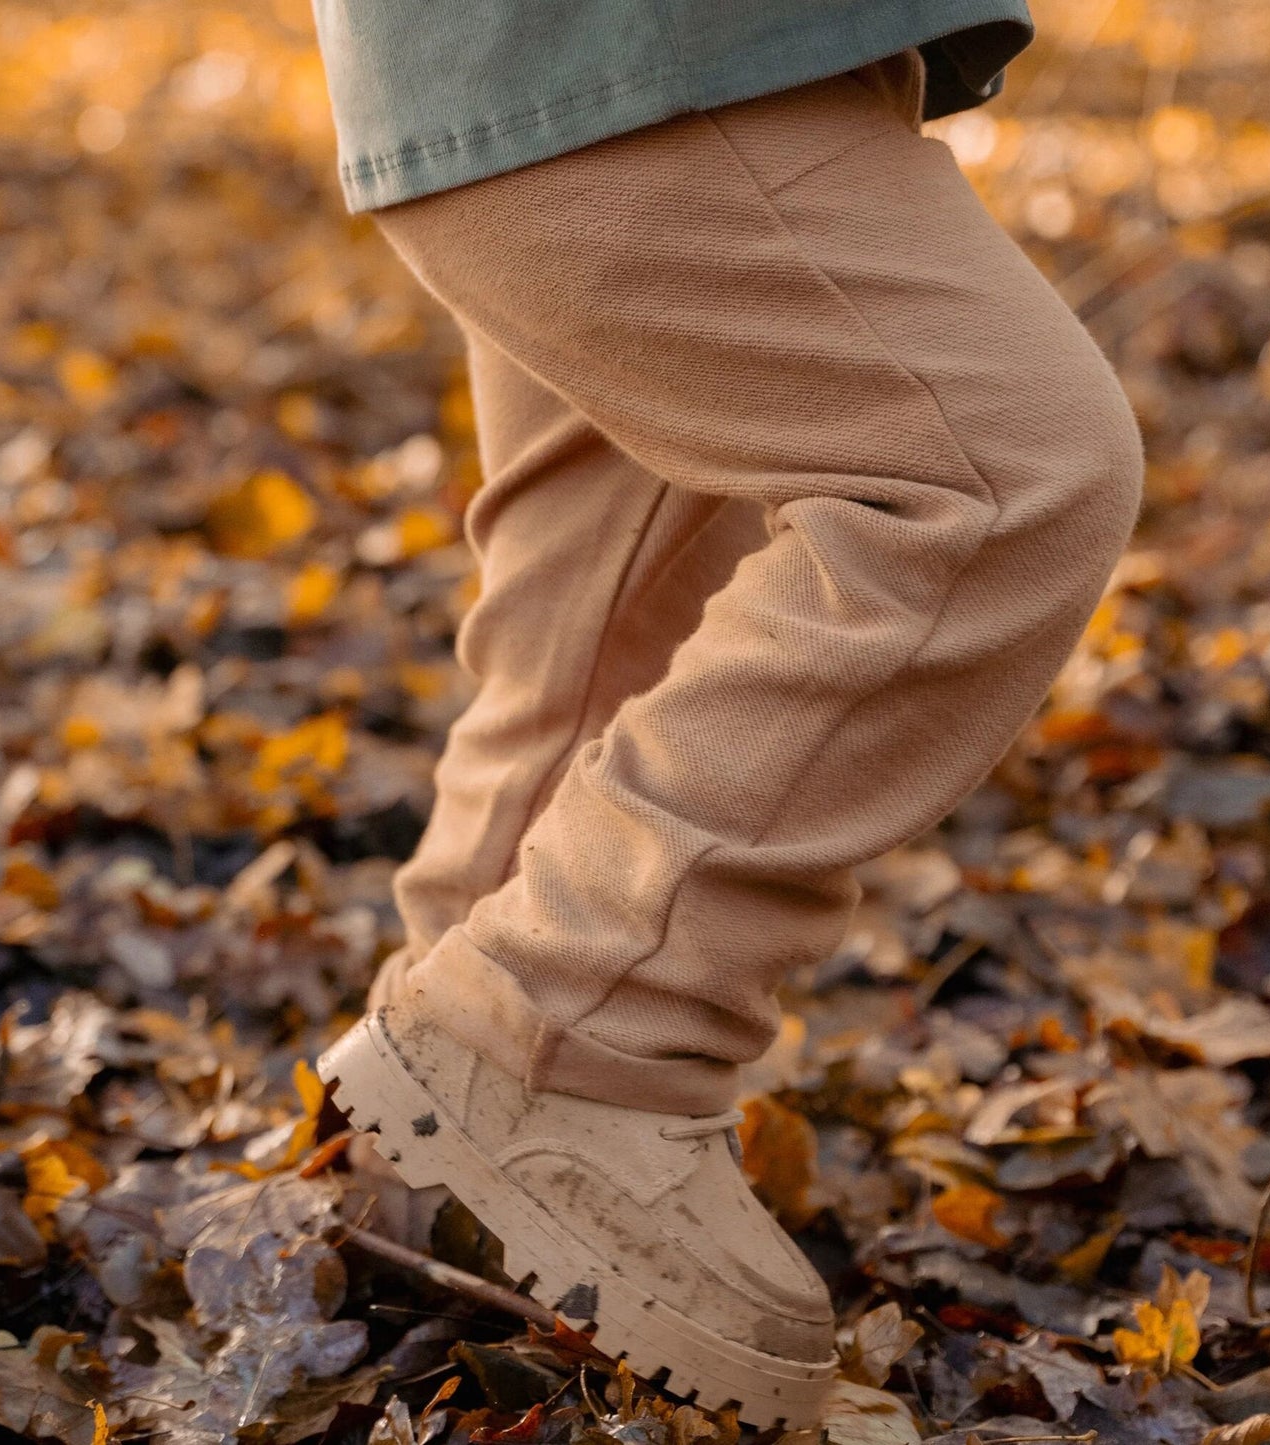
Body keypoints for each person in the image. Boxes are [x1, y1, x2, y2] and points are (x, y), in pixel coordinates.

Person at [311, 1, 1144, 1426]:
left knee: (603, 594)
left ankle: (434, 1161)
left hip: (582, 57)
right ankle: (567, 1032)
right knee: (996, 476)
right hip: (635, 41)